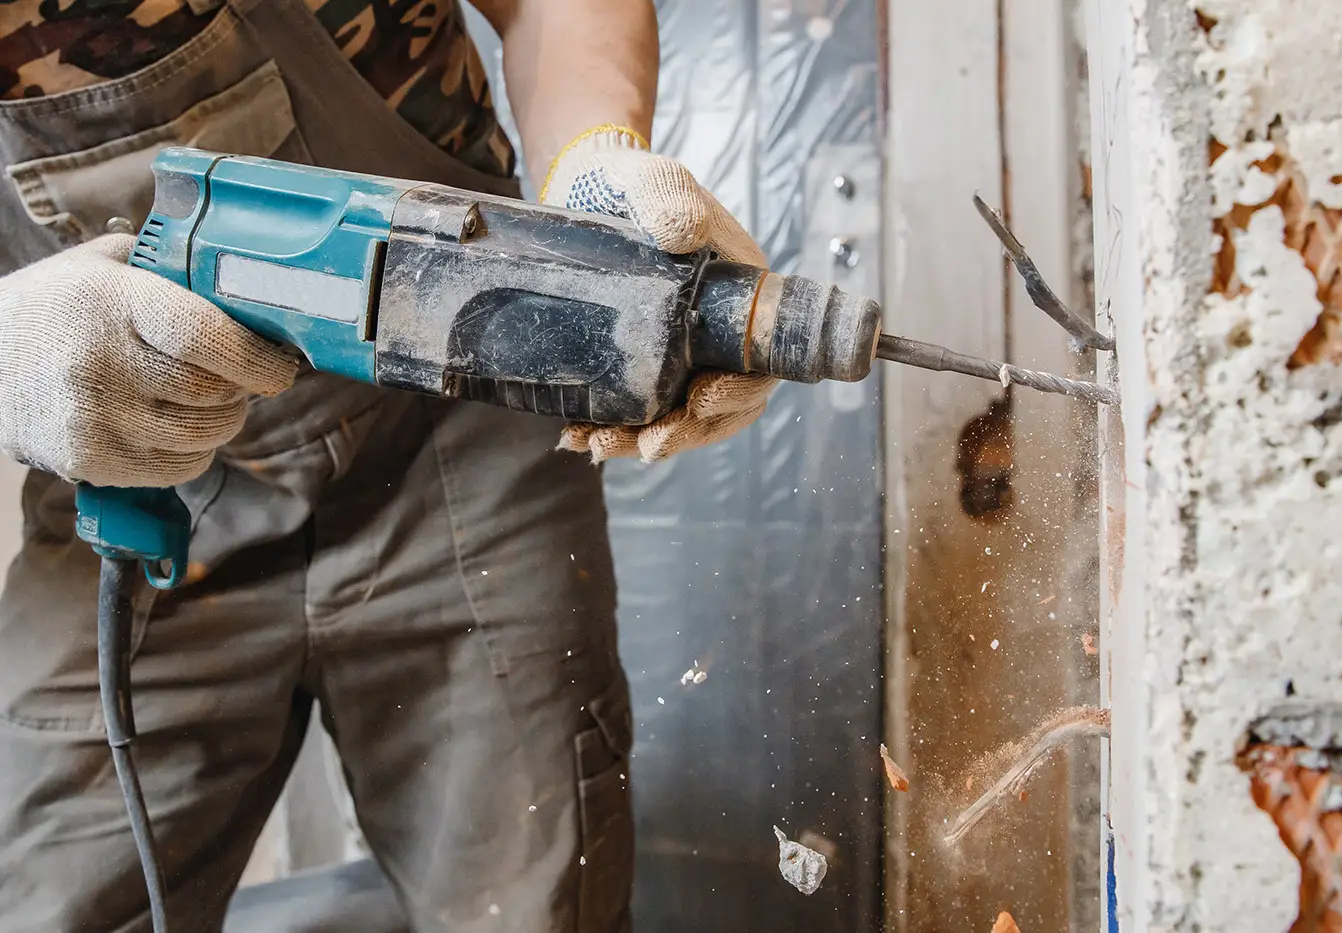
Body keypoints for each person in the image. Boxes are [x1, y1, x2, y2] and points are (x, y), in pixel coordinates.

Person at [0, 1, 776, 930]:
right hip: (129, 464)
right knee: (51, 901)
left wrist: (595, 174)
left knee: (529, 899)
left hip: (461, 440)